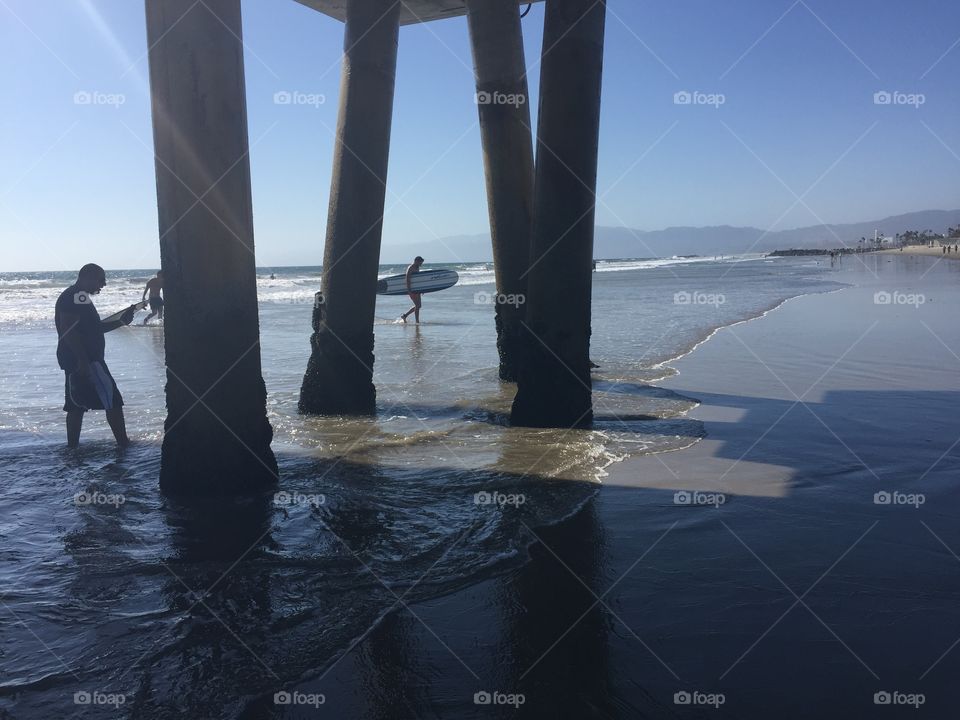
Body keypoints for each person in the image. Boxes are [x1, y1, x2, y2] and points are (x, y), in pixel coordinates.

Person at [55, 264, 134, 448]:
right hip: (86, 359)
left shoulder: (80, 297)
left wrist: (121, 321)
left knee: (76, 404)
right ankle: (123, 443)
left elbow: (95, 328)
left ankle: (72, 448)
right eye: (101, 279)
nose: (104, 284)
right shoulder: (72, 296)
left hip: (83, 358)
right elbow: (68, 330)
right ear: (87, 276)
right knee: (113, 401)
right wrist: (82, 360)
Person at [400, 256, 425, 324]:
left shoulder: (417, 267)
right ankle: (417, 321)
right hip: (411, 290)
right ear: (416, 261)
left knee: (419, 306)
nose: (421, 264)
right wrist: (409, 291)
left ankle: (405, 316)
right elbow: (407, 279)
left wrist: (421, 289)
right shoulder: (410, 268)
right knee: (417, 305)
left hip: (416, 290)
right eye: (420, 263)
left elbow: (417, 279)